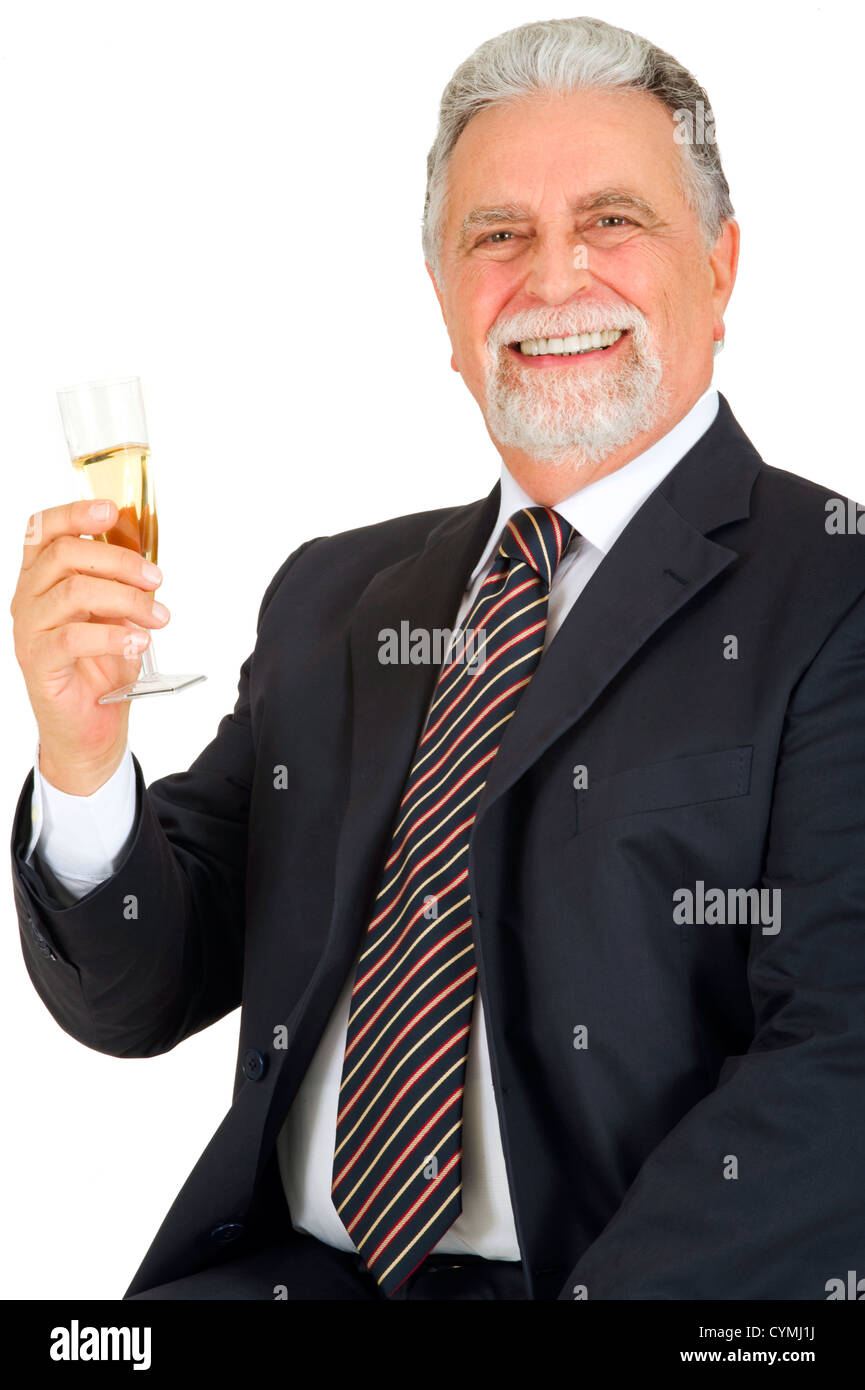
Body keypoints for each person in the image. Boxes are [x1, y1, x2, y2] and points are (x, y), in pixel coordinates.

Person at [9, 16, 865, 1301]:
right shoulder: (337, 593)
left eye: (613, 220)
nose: (555, 276)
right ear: (444, 309)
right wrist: (82, 762)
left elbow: (839, 1065)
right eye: (497, 235)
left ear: (722, 266)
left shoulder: (834, 586)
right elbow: (144, 988)